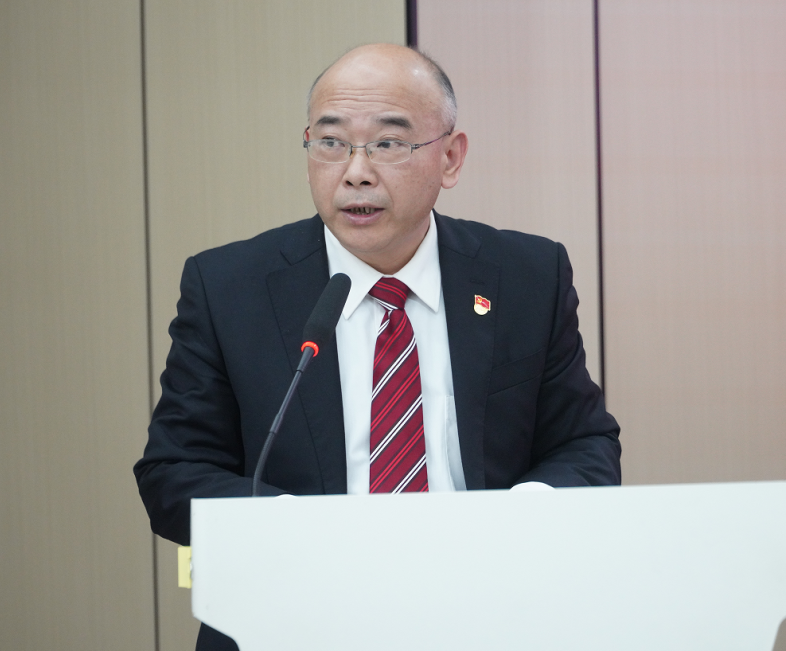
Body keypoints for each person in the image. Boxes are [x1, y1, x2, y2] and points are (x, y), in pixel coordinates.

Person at [134, 43, 620, 650]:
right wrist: (288, 528)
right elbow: (173, 473)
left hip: (489, 613)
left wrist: (522, 519)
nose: (355, 172)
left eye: (388, 143)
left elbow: (584, 444)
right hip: (295, 619)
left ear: (450, 157)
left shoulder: (525, 276)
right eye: (330, 142)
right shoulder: (230, 287)